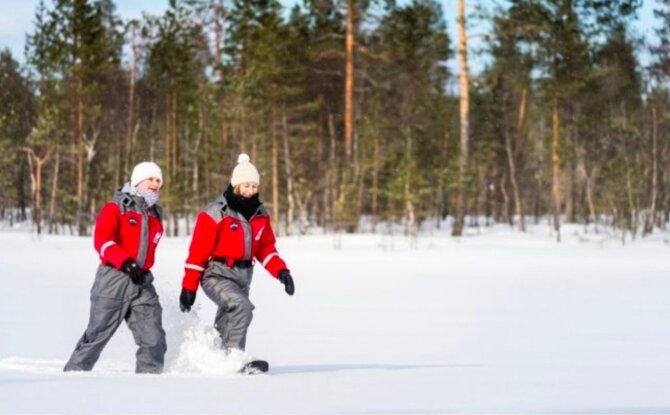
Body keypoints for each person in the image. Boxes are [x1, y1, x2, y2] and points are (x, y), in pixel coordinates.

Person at [179, 153, 294, 354]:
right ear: (236, 185)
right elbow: (197, 252)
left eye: (254, 186)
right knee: (242, 307)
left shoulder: (260, 214)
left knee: (230, 317)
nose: (250, 191)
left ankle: (217, 356)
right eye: (246, 186)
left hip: (243, 277)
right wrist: (189, 287)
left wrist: (281, 272)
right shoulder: (216, 213)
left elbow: (265, 249)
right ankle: (234, 357)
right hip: (216, 274)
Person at [64, 161, 167, 374]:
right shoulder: (116, 207)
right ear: (137, 180)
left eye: (158, 180)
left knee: (154, 337)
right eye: (150, 179)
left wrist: (140, 268)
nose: (155, 183)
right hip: (114, 279)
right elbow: (102, 240)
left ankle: (150, 382)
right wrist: (126, 262)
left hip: (142, 281)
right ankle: (73, 377)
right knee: (97, 335)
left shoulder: (155, 214)